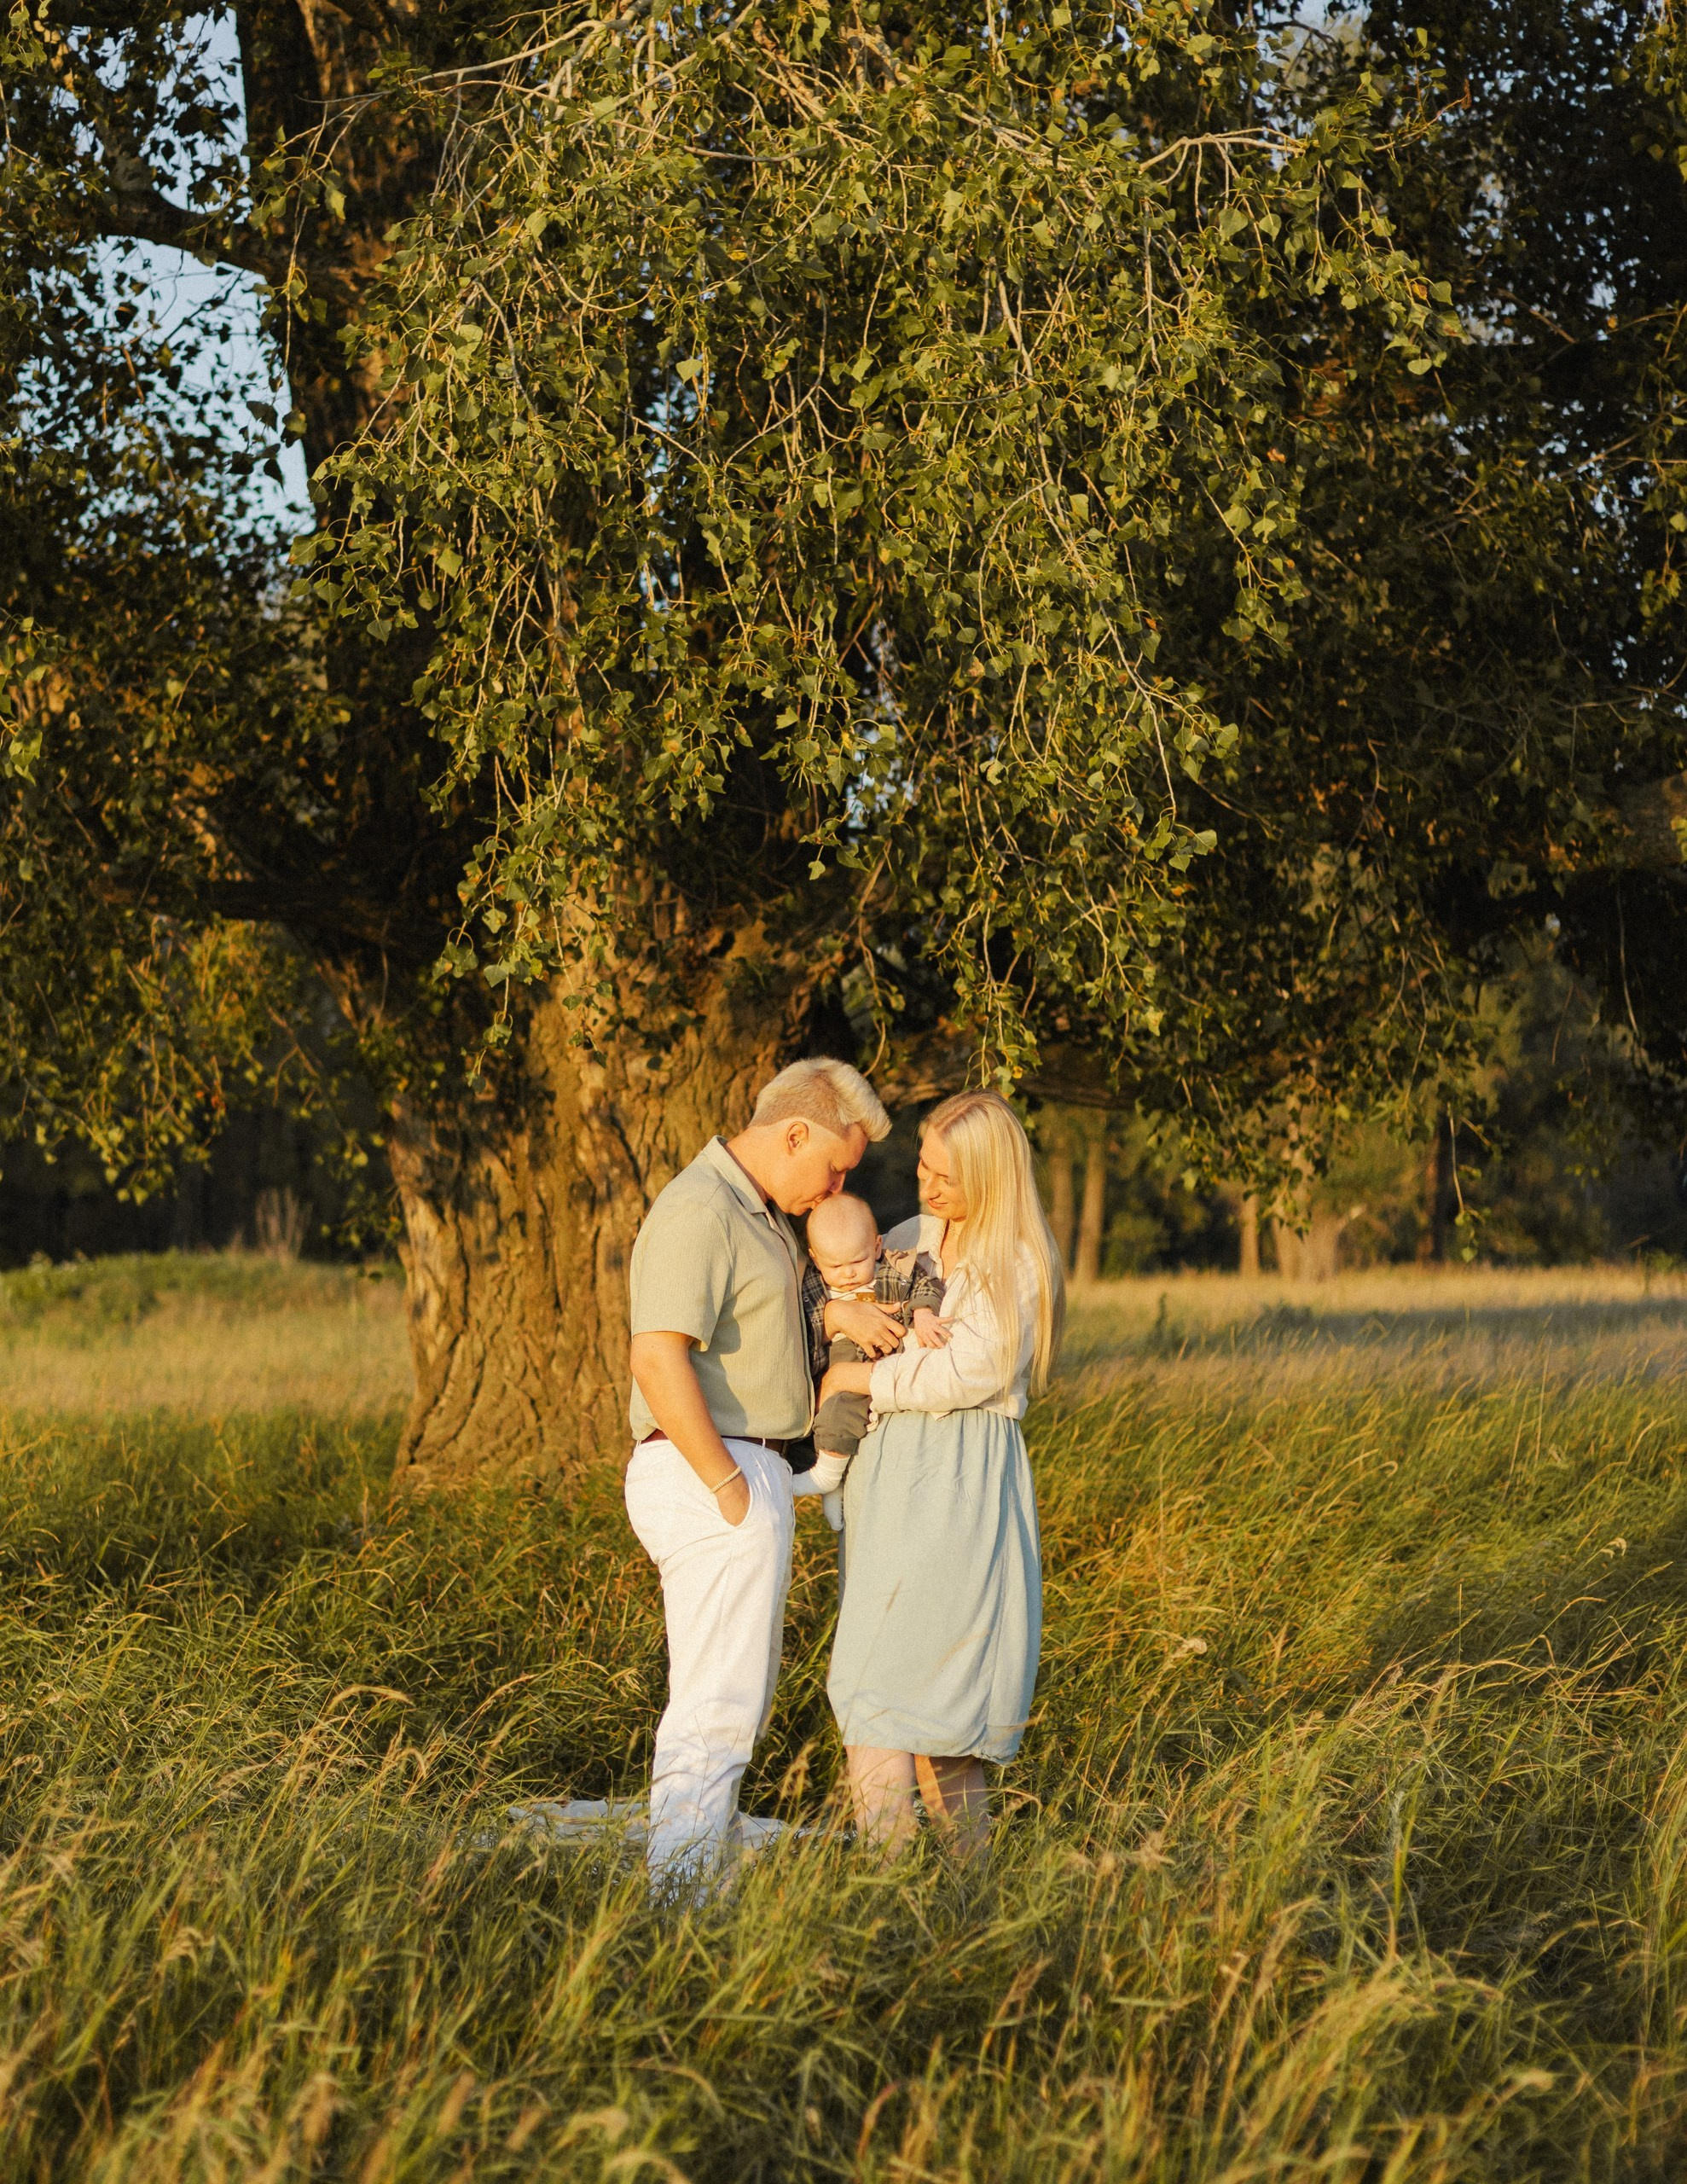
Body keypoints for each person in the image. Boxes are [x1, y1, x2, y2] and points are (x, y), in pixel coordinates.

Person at [623, 1056, 896, 1885]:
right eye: (836, 1166)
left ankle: (694, 1873)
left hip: (749, 1466)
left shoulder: (765, 1216)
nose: (839, 1186)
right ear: (796, 1134)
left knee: (733, 1702)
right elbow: (655, 1356)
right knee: (716, 1708)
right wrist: (730, 1488)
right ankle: (680, 1901)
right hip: (715, 1468)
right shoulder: (702, 1208)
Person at [822, 1090, 1064, 1861]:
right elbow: (839, 1302)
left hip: (959, 1481)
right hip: (888, 1475)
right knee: (879, 1689)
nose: (928, 1187)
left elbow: (969, 1373)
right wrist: (838, 1322)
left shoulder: (1015, 1262)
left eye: (947, 1178)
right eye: (924, 1168)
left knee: (922, 1705)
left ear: (990, 1178)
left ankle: (938, 1891)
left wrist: (860, 1381)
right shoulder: (908, 1238)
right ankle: (904, 1887)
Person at [802, 1192, 947, 1528]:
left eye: (858, 1261)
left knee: (843, 1411)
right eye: (835, 1266)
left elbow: (925, 1284)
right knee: (818, 1419)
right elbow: (802, 1329)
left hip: (876, 1360)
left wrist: (923, 1312)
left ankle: (827, 1476)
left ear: (877, 1246)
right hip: (832, 1363)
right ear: (815, 1259)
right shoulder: (815, 1288)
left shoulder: (892, 1273)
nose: (848, 1274)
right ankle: (831, 1484)